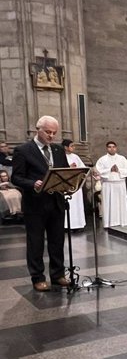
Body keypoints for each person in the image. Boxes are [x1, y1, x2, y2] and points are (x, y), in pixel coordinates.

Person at [11, 115, 69, 291]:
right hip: (35, 203)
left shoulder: (58, 150)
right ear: (38, 129)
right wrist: (33, 183)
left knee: (57, 240)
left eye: (54, 133)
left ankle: (58, 274)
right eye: (48, 132)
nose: (51, 136)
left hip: (56, 201)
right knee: (36, 242)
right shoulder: (23, 150)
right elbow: (16, 177)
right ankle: (37, 277)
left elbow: (64, 172)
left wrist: (68, 182)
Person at [96, 141, 127, 228]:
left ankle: (122, 221)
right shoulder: (102, 159)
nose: (112, 148)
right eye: (109, 147)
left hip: (120, 184)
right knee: (108, 204)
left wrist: (119, 169)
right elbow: (98, 171)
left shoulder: (122, 158)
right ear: (107, 148)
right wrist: (109, 170)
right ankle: (108, 223)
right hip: (108, 184)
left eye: (113, 147)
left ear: (116, 148)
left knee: (121, 204)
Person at [61, 139, 86, 230]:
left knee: (77, 205)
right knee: (69, 206)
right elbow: (58, 170)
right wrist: (69, 167)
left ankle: (78, 224)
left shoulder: (75, 156)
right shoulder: (60, 156)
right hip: (66, 185)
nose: (74, 148)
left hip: (76, 184)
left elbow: (83, 168)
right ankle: (66, 226)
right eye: (72, 146)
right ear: (65, 147)